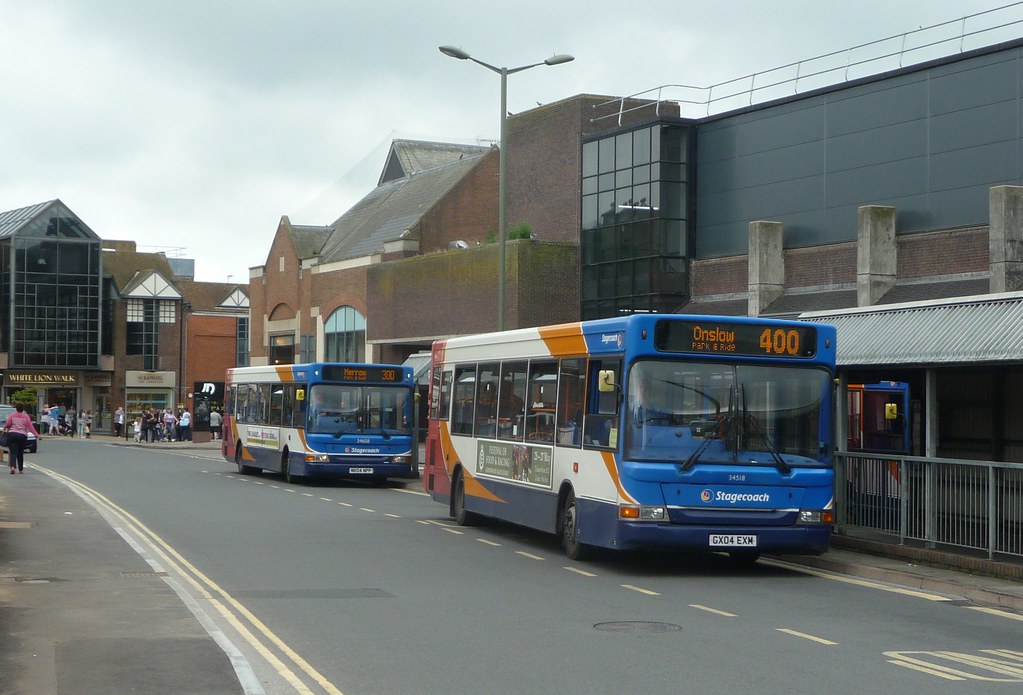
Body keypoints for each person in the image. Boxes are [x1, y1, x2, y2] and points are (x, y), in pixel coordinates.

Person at [4, 403, 40, 474]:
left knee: (13, 452)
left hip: (12, 434)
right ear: (23, 409)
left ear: (16, 408)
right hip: (22, 435)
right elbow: (30, 427)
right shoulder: (26, 417)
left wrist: (7, 427)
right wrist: (37, 435)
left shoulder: (12, 415)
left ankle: (13, 467)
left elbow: (8, 424)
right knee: (20, 452)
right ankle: (20, 469)